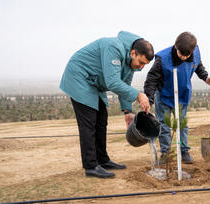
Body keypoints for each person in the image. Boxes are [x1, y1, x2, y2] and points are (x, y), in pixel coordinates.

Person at [60, 31, 154, 178]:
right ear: (133, 53)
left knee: (101, 120)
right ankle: (91, 166)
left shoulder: (131, 62)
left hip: (95, 83)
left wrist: (128, 111)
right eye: (141, 62)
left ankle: (103, 160)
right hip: (79, 77)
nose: (141, 67)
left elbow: (125, 84)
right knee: (89, 123)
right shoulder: (114, 47)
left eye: (144, 65)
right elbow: (113, 83)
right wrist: (139, 95)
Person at [144, 32, 210, 164]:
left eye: (187, 55)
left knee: (182, 124)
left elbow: (197, 66)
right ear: (176, 46)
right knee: (164, 125)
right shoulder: (162, 59)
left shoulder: (195, 53)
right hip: (164, 96)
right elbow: (151, 79)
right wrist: (149, 98)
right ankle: (166, 153)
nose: (183, 57)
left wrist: (205, 77)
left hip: (182, 95)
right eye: (181, 54)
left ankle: (184, 151)